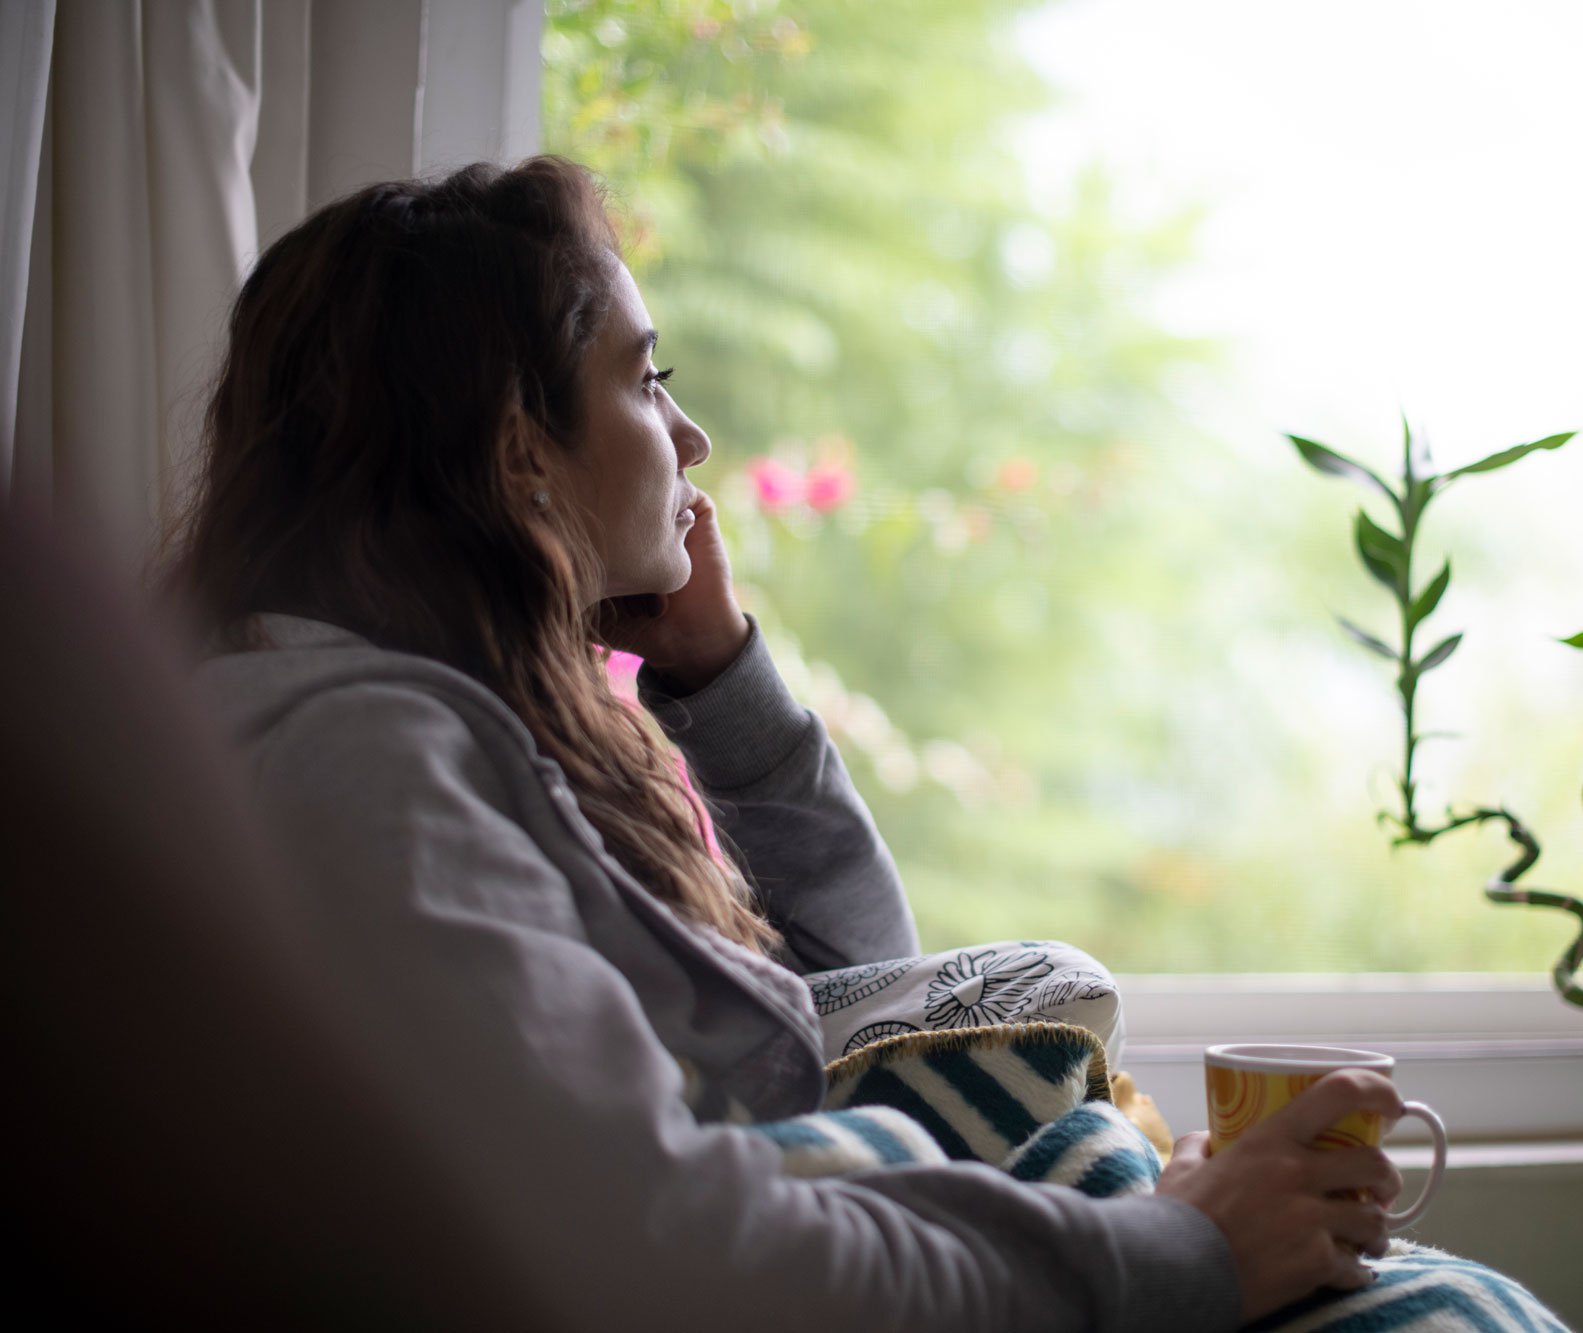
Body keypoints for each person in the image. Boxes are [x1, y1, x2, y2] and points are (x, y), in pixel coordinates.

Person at [166, 156, 1406, 1332]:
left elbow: (830, 1037)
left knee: (1032, 989)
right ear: (517, 450)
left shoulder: (418, 729)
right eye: (645, 379)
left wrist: (717, 680)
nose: (690, 437)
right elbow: (663, 1240)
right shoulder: (367, 766)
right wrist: (1184, 1256)